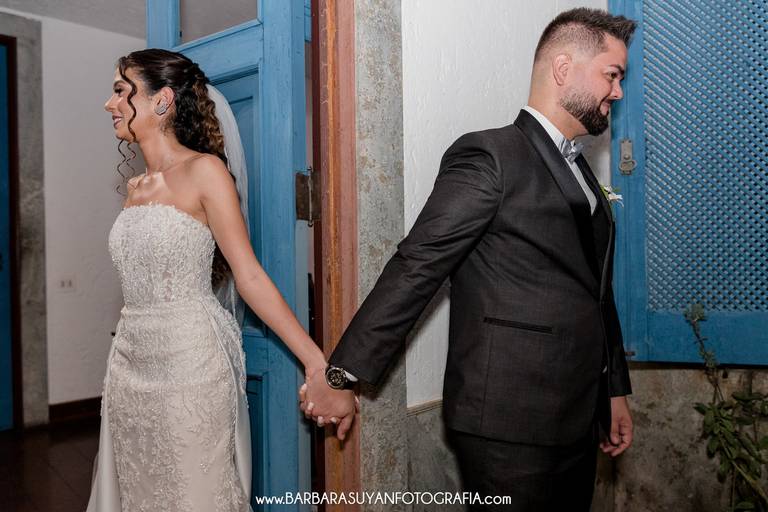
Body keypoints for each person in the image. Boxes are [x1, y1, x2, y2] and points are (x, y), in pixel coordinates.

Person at [301, 7, 636, 511]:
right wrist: (341, 374)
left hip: (578, 415)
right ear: (564, 68)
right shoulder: (490, 155)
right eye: (612, 75)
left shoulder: (582, 171)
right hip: (507, 421)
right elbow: (419, 264)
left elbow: (596, 291)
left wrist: (613, 390)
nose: (618, 92)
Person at [87, 48, 332, 512]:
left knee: (192, 491)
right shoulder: (134, 188)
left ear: (161, 100)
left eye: (121, 91)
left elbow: (249, 274)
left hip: (190, 364)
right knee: (140, 489)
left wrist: (315, 361)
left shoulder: (205, 171)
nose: (110, 103)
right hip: (128, 366)